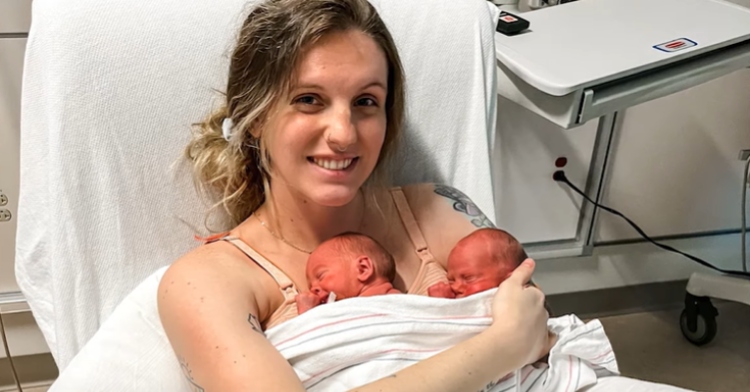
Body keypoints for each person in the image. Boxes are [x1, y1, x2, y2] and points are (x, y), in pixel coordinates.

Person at [157, 1, 692, 391]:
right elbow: (514, 338)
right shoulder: (209, 280)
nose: (344, 133)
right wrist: (499, 347)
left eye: (366, 101)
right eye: (308, 99)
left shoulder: (437, 208)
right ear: (253, 118)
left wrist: (515, 343)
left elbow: (537, 332)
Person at [296, 232, 402, 314]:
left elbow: (313, 334)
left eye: (321, 276)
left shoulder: (403, 303)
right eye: (310, 286)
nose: (313, 290)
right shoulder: (339, 313)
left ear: (363, 269)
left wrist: (307, 314)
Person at [428, 228, 526, 299]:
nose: (455, 287)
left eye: (468, 278)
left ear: (509, 279)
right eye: (451, 280)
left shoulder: (515, 303)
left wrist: (440, 305)